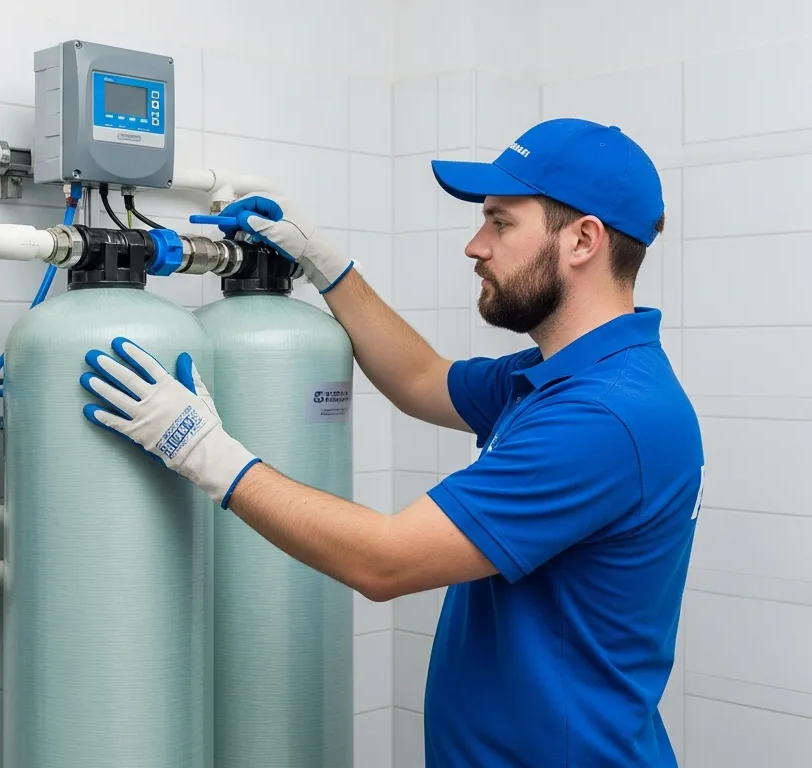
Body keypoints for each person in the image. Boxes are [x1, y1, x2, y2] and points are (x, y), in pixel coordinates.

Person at [78, 118, 703, 767]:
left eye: (500, 222)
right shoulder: (562, 377)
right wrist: (328, 264)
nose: (475, 245)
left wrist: (201, 449)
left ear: (583, 240)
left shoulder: (602, 417)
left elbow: (386, 561)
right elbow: (420, 379)